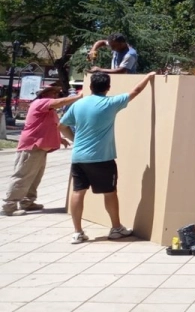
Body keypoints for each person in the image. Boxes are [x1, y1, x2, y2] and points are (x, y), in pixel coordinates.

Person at [59, 71, 156, 244]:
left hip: (79, 157)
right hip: (102, 158)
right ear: (108, 87)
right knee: (110, 193)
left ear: (90, 87)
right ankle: (116, 228)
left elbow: (62, 126)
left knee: (78, 192)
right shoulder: (110, 103)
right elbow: (135, 91)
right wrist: (149, 76)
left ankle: (77, 232)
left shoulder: (78, 104)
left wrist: (74, 140)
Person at [2, 84, 83, 216]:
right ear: (44, 95)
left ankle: (27, 202)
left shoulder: (49, 110)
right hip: (32, 146)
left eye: (56, 94)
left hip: (40, 148)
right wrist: (78, 97)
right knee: (23, 175)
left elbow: (51, 126)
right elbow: (60, 102)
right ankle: (9, 205)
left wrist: (59, 139)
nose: (55, 96)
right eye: (53, 93)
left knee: (35, 176)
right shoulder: (40, 103)